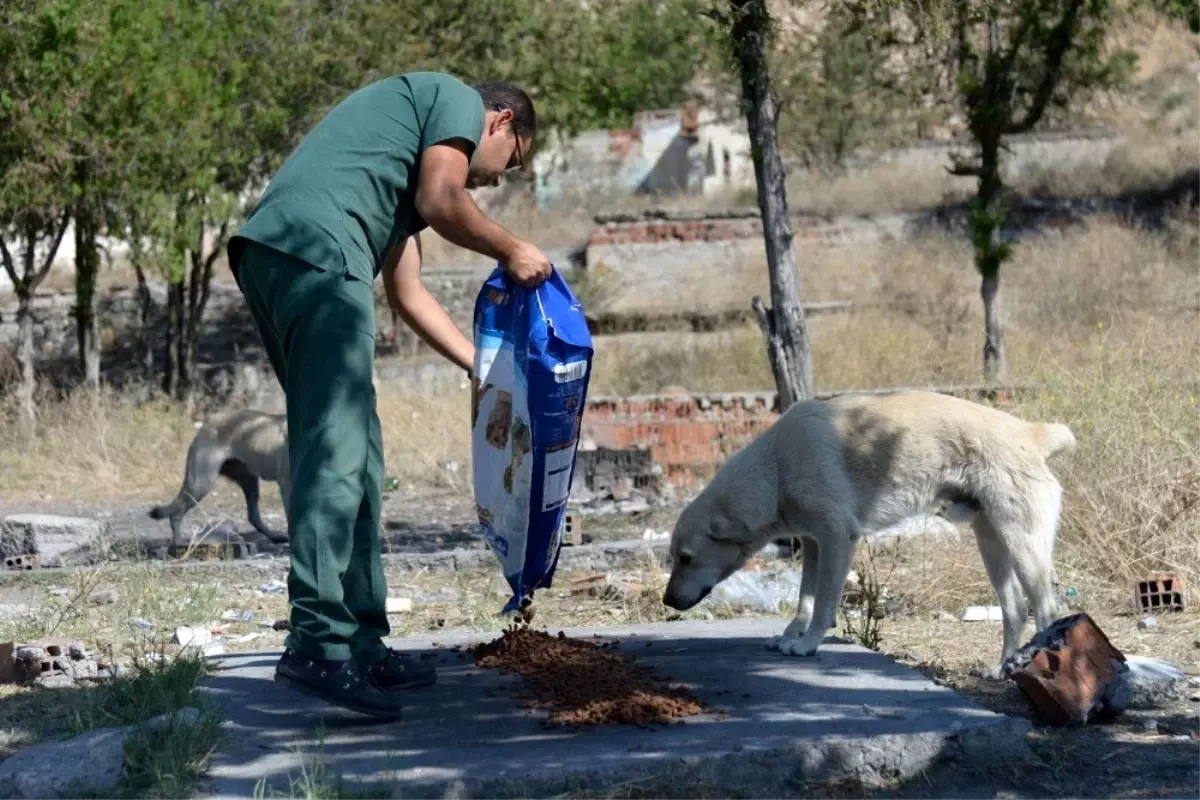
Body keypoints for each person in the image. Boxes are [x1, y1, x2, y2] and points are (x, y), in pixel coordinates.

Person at [225, 72, 552, 720]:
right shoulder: (455, 100)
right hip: (317, 254)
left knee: (361, 459)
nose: (492, 182)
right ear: (501, 121)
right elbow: (445, 198)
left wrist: (484, 371)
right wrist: (512, 248)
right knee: (336, 450)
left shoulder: (393, 172)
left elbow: (409, 295)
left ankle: (363, 643)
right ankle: (317, 645)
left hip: (288, 253)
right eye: (505, 165)